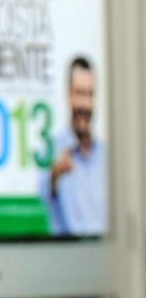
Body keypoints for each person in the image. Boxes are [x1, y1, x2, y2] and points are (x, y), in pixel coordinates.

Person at [41, 56, 107, 236]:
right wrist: (54, 178)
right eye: (79, 93)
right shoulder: (50, 152)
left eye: (90, 94)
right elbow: (40, 209)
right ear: (68, 94)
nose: (85, 104)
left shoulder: (106, 157)